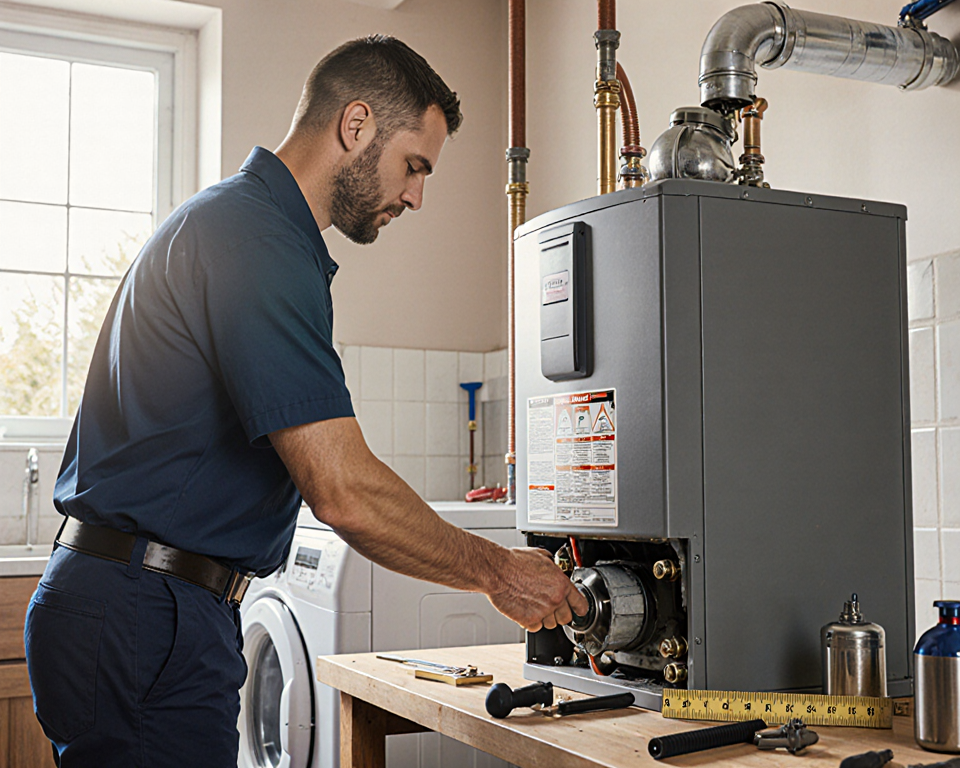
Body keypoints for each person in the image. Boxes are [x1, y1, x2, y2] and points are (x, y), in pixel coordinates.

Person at [24, 34, 587, 768]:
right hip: (147, 611)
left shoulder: (242, 225)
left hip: (148, 604)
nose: (417, 195)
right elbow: (343, 489)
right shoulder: (256, 239)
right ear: (356, 126)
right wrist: (497, 571)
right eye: (414, 165)